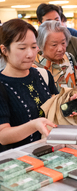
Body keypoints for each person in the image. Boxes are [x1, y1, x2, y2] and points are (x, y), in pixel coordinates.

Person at [0, 19, 58, 151]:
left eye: (33, 47)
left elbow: (54, 110)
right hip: (17, 162)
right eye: (22, 48)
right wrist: (34, 125)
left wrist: (68, 105)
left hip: (49, 152)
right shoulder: (2, 84)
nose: (30, 54)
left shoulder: (43, 75)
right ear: (4, 50)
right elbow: (3, 136)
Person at [36, 20, 77, 92]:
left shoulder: (69, 57)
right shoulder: (35, 67)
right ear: (41, 44)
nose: (60, 49)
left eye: (63, 43)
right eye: (54, 45)